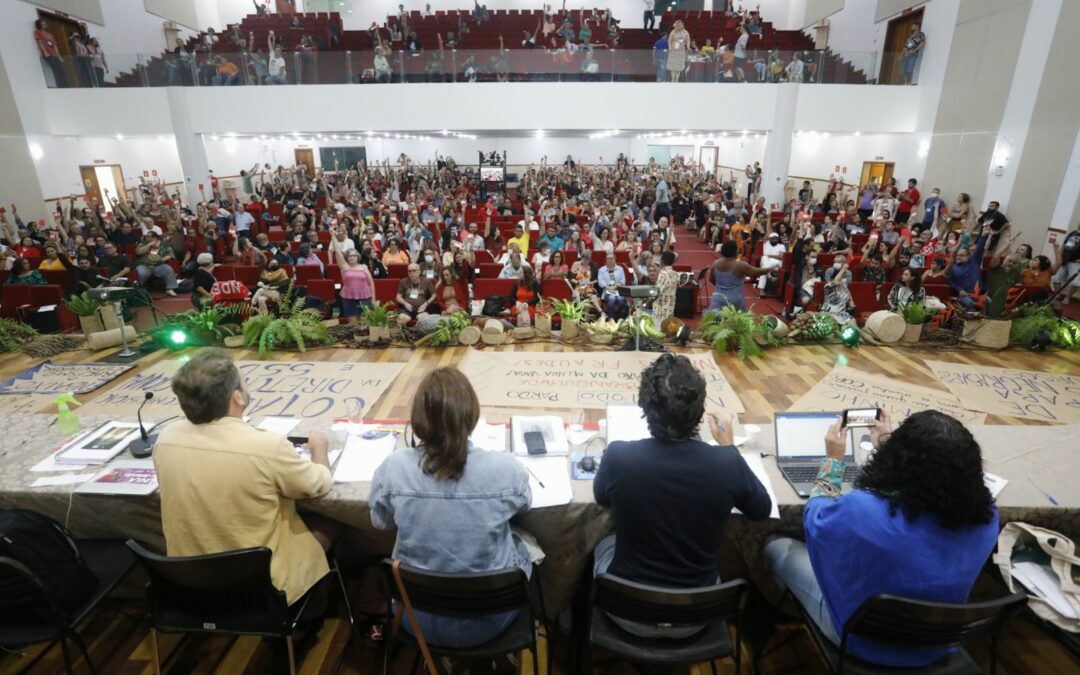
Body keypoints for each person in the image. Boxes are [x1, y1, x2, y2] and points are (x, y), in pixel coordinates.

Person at [764, 410, 998, 668]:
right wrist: (888, 445)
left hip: (860, 642)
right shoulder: (987, 518)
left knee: (775, 545)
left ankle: (783, 615)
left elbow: (814, 518)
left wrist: (833, 461)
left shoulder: (862, 509)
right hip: (938, 643)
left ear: (902, 462)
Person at [594, 354, 771, 635]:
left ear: (644, 406)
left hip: (627, 611)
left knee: (600, 543)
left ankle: (572, 621)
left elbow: (601, 497)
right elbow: (761, 510)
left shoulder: (618, 456)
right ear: (700, 410)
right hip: (696, 615)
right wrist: (729, 449)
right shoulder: (727, 462)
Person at [155, 351, 336, 616]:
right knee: (334, 524)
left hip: (192, 581)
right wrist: (320, 449)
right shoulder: (267, 445)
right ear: (237, 397)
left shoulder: (166, 439)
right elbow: (318, 485)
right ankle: (310, 616)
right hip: (263, 586)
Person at [370, 368, 532, 648]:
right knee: (527, 547)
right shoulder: (506, 469)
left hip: (414, 616)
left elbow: (380, 523)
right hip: (491, 619)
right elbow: (525, 506)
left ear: (418, 420)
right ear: (471, 415)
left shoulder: (394, 466)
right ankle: (557, 614)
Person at [708, 240, 773, 310]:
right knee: (735, 320)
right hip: (734, 300)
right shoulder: (739, 265)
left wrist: (722, 287)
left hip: (718, 298)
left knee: (717, 320)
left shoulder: (715, 263)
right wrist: (771, 268)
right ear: (734, 251)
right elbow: (758, 272)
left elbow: (711, 279)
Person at [331, 235, 374, 317]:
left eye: (354, 255)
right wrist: (332, 236)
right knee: (352, 320)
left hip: (365, 297)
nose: (352, 257)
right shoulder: (344, 266)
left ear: (357, 257)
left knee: (365, 319)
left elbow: (371, 283)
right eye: (350, 256)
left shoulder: (364, 267)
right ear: (347, 258)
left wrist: (373, 298)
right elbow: (337, 250)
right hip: (348, 297)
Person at [945, 230, 989, 311]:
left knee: (990, 302)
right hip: (965, 295)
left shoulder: (975, 261)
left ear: (968, 256)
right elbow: (950, 281)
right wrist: (959, 290)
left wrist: (984, 235)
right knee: (970, 304)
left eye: (961, 255)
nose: (958, 257)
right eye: (957, 255)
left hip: (979, 294)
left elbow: (979, 248)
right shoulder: (953, 267)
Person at [820, 254, 855, 325]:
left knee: (852, 322)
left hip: (841, 314)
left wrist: (851, 307)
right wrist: (843, 269)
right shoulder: (828, 287)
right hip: (829, 314)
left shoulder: (846, 289)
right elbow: (834, 283)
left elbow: (851, 305)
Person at [34, 19, 67, 87]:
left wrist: (59, 57)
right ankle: (60, 86)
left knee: (61, 70)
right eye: (42, 24)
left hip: (55, 55)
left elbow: (55, 46)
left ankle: (65, 85)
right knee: (56, 70)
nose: (44, 25)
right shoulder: (37, 32)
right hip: (49, 55)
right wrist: (45, 52)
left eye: (44, 24)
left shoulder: (50, 34)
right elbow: (40, 43)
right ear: (39, 25)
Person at [651, 250, 678, 325]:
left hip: (660, 311)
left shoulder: (663, 274)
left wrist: (646, 304)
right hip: (670, 309)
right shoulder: (675, 274)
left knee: (658, 331)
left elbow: (656, 292)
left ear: (661, 261)